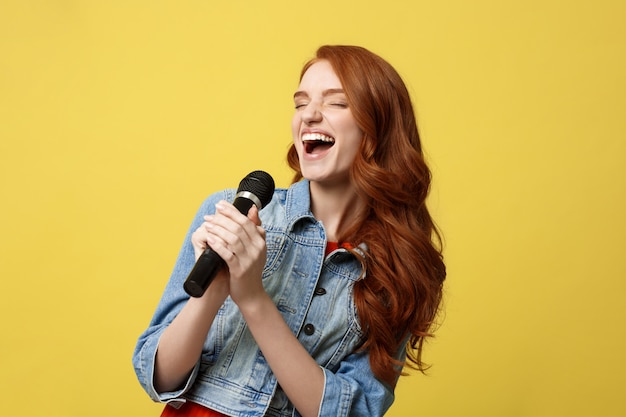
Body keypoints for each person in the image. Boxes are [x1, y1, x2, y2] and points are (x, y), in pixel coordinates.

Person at [133, 45, 446, 417]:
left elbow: (352, 412)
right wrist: (212, 292)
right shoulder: (235, 214)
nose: (309, 115)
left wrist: (252, 298)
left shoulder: (397, 268)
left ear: (377, 129)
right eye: (300, 104)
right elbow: (158, 378)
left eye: (336, 103)